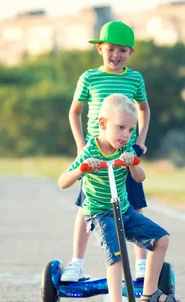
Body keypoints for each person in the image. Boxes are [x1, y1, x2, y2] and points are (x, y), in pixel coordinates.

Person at [58, 94, 183, 302]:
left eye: (130, 129)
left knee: (162, 239)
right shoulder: (89, 152)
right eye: (121, 127)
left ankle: (149, 295)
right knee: (117, 256)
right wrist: (82, 169)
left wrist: (133, 162)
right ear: (103, 124)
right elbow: (63, 181)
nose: (125, 134)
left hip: (124, 211)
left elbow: (140, 177)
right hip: (100, 214)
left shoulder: (125, 150)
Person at [60, 20, 151, 283]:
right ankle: (76, 263)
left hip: (125, 150)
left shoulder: (135, 78)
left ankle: (142, 265)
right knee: (87, 205)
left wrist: (141, 139)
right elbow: (74, 111)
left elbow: (144, 108)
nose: (116, 55)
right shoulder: (90, 77)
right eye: (111, 49)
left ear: (130, 53)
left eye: (123, 50)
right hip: (95, 150)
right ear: (100, 48)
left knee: (133, 202)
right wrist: (80, 144)